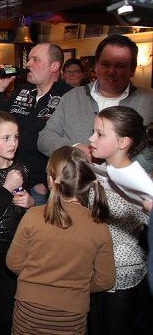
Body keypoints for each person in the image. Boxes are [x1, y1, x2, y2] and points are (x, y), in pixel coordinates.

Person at [6, 146, 115, 334]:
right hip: (72, 312)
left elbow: (13, 262)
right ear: (88, 183)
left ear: (50, 180)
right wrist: (74, 289)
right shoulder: (99, 227)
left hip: (29, 308)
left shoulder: (33, 216)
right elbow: (106, 280)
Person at [87, 106, 152, 335]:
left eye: (100, 134)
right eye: (93, 131)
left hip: (122, 271)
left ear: (123, 142)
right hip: (91, 267)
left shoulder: (138, 183)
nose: (91, 138)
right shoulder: (96, 172)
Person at [39, 34, 153, 160]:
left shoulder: (149, 100)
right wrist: (74, 148)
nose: (111, 71)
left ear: (132, 69)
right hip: (75, 178)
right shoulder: (72, 97)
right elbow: (45, 138)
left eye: (120, 66)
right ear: (96, 66)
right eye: (105, 64)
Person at [0, 42, 72, 206]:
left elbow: (66, 145)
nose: (28, 64)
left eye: (35, 60)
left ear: (54, 66)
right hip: (8, 180)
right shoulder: (22, 90)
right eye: (29, 59)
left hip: (39, 188)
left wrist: (45, 184)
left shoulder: (68, 96)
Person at [0, 111, 34, 335]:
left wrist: (30, 204)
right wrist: (6, 189)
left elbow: (22, 217)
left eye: (16, 137)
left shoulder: (21, 169)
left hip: (14, 251)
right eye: (6, 138)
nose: (13, 143)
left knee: (11, 312)